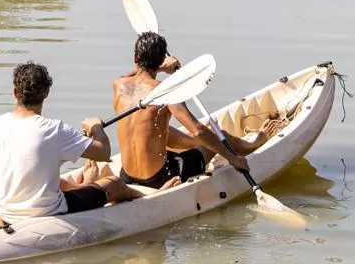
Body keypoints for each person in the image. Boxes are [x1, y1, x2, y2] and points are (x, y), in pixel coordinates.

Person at [0, 60, 138, 228]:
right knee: (114, 183)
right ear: (46, 93)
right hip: (47, 213)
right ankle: (147, 200)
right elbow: (103, 153)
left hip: (3, 212)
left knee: (59, 182)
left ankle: (83, 187)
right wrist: (96, 127)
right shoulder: (54, 129)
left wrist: (9, 176)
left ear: (15, 93)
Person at [113, 31, 279, 188]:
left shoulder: (119, 85)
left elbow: (134, 76)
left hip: (126, 176)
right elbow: (197, 131)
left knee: (158, 127)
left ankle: (194, 145)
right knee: (221, 136)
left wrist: (160, 67)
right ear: (160, 61)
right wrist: (233, 160)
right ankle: (254, 144)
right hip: (160, 178)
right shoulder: (167, 92)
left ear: (135, 57)